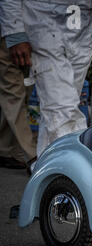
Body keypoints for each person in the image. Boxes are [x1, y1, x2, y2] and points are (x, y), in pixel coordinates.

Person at [0, 0, 92, 160]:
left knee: (57, 112)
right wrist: (15, 33)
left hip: (81, 32)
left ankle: (48, 173)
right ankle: (76, 168)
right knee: (62, 111)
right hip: (42, 30)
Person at [0, 20, 36, 170]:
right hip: (10, 37)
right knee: (13, 95)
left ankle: (5, 149)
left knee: (21, 92)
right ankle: (33, 155)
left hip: (30, 35)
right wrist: (15, 37)